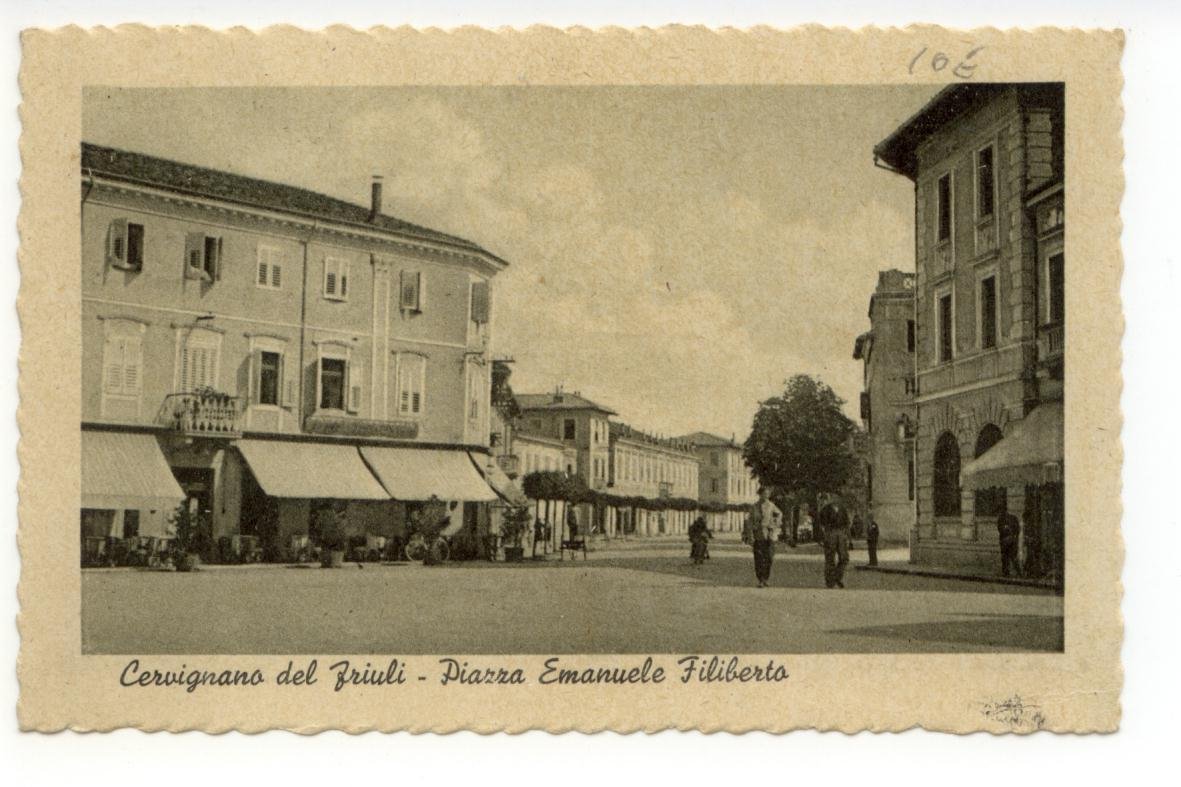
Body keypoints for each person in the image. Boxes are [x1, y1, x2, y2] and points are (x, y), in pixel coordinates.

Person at [745, 488, 782, 587]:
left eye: (767, 494)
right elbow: (749, 522)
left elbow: (779, 515)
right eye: (764, 493)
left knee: (769, 557)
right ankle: (761, 579)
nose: (766, 495)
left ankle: (766, 578)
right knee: (759, 558)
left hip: (770, 535)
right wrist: (750, 536)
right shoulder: (754, 507)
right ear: (760, 494)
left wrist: (774, 524)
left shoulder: (771, 506)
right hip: (758, 535)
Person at [818, 497, 851, 588]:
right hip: (830, 533)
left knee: (844, 558)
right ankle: (830, 581)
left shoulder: (842, 509)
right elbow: (821, 524)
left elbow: (847, 523)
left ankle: (837, 576)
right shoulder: (825, 509)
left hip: (841, 534)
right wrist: (823, 536)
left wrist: (849, 538)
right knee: (829, 558)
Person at [997, 506, 1020, 577]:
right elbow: (1018, 529)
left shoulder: (1001, 519)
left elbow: (1000, 529)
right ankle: (1018, 573)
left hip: (1006, 541)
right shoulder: (1013, 518)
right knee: (1011, 557)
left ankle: (1007, 573)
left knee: (1006, 557)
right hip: (1011, 540)